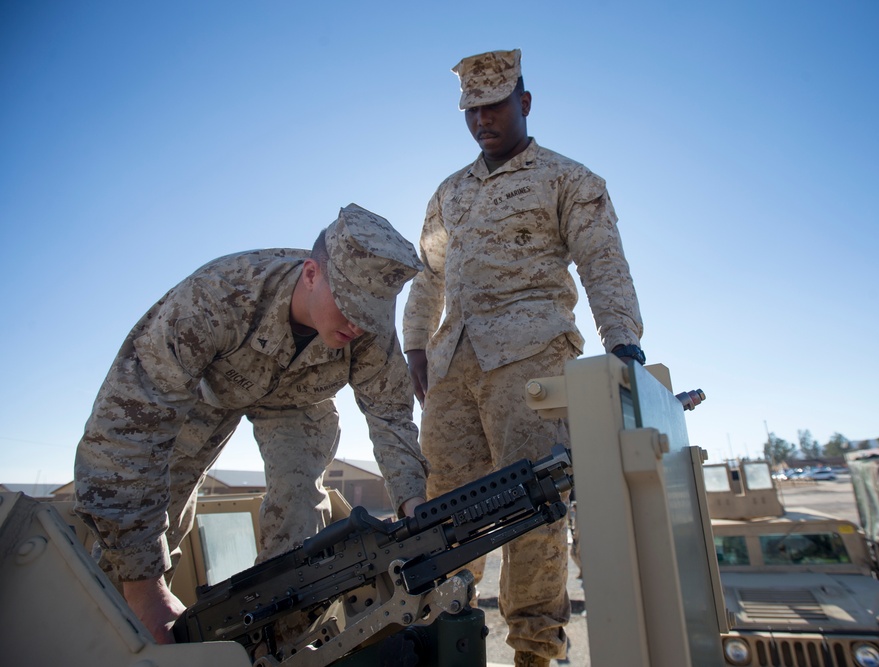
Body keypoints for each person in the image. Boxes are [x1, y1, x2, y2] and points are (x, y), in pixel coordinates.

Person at [75, 203, 428, 645]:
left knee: (299, 518)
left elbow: (391, 414)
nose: (359, 324)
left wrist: (413, 502)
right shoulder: (217, 296)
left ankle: (281, 646)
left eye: (371, 312)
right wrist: (143, 589)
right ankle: (115, 633)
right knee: (162, 493)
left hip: (301, 402)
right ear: (312, 273)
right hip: (209, 390)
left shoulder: (367, 328)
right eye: (350, 306)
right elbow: (126, 429)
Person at [402, 49, 645, 667]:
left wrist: (623, 343)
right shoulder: (450, 192)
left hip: (531, 355)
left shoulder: (568, 179)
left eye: (493, 107)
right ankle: (444, 635)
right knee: (443, 506)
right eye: (471, 110)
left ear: (524, 103)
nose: (481, 120)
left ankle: (536, 651)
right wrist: (414, 343)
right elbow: (430, 274)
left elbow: (603, 262)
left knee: (533, 506)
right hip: (455, 361)